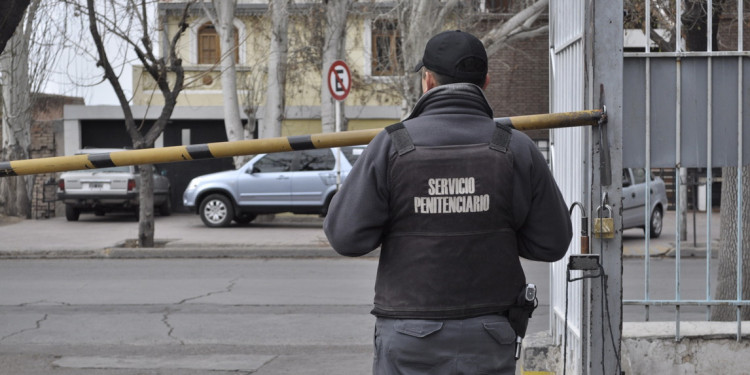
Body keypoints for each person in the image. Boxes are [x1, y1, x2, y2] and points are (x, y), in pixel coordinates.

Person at [323, 30, 572, 375]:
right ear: (485, 81)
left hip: (408, 334)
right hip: (489, 333)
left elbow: (346, 237)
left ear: (427, 80)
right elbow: (552, 242)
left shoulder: (392, 145)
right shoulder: (515, 147)